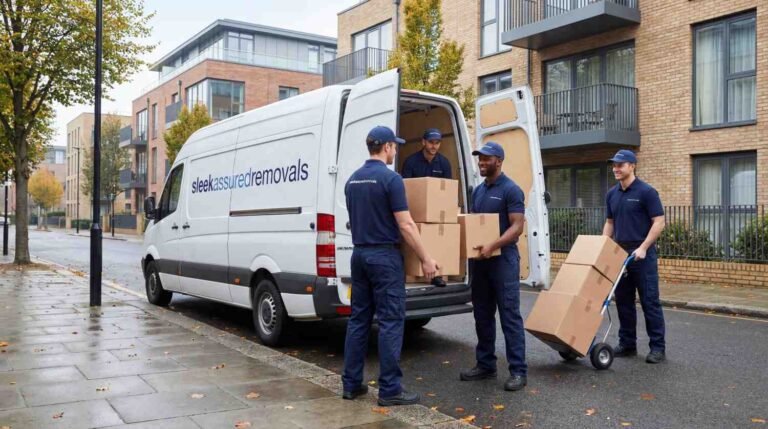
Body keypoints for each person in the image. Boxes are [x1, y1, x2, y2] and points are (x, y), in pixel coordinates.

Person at [342, 125, 439, 406]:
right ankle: (390, 390)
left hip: (359, 255)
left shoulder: (352, 180)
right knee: (390, 323)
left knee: (358, 320)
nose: (395, 150)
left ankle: (351, 384)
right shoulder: (391, 179)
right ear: (385, 147)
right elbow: (406, 224)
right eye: (394, 146)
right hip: (384, 258)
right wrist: (426, 258)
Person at [459, 141, 528, 392]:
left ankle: (518, 371)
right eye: (480, 158)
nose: (481, 162)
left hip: (503, 261)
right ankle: (486, 365)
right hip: (482, 263)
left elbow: (517, 226)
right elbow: (476, 225)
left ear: (499, 160)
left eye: (486, 158)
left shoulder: (511, 190)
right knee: (482, 315)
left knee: (509, 316)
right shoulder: (478, 191)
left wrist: (492, 245)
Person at [602, 149, 667, 364]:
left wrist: (644, 247)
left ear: (632, 166)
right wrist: (603, 246)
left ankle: (657, 347)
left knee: (650, 302)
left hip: (642, 254)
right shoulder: (612, 194)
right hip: (621, 254)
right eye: (614, 165)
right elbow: (610, 223)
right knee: (623, 301)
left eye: (620, 165)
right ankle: (628, 344)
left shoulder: (647, 192)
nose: (616, 168)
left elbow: (659, 221)